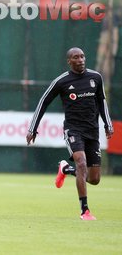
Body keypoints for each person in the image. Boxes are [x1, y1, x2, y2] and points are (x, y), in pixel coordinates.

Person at [26, 47, 113, 221]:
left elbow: (102, 101)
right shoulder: (62, 81)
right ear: (69, 61)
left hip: (92, 132)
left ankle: (66, 169)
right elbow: (44, 101)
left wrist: (107, 124)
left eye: (82, 56)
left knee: (94, 179)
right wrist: (33, 128)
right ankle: (85, 211)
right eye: (76, 57)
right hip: (73, 130)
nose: (80, 60)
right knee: (81, 163)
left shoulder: (95, 77)